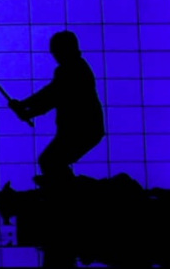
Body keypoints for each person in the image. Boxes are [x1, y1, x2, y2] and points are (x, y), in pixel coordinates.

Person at [8, 31, 105, 187]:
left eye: (56, 51)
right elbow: (52, 96)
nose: (55, 55)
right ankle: (69, 191)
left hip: (81, 130)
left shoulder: (71, 70)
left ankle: (71, 193)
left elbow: (52, 96)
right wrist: (26, 109)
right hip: (85, 130)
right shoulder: (77, 67)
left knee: (51, 161)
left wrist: (25, 107)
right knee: (53, 161)